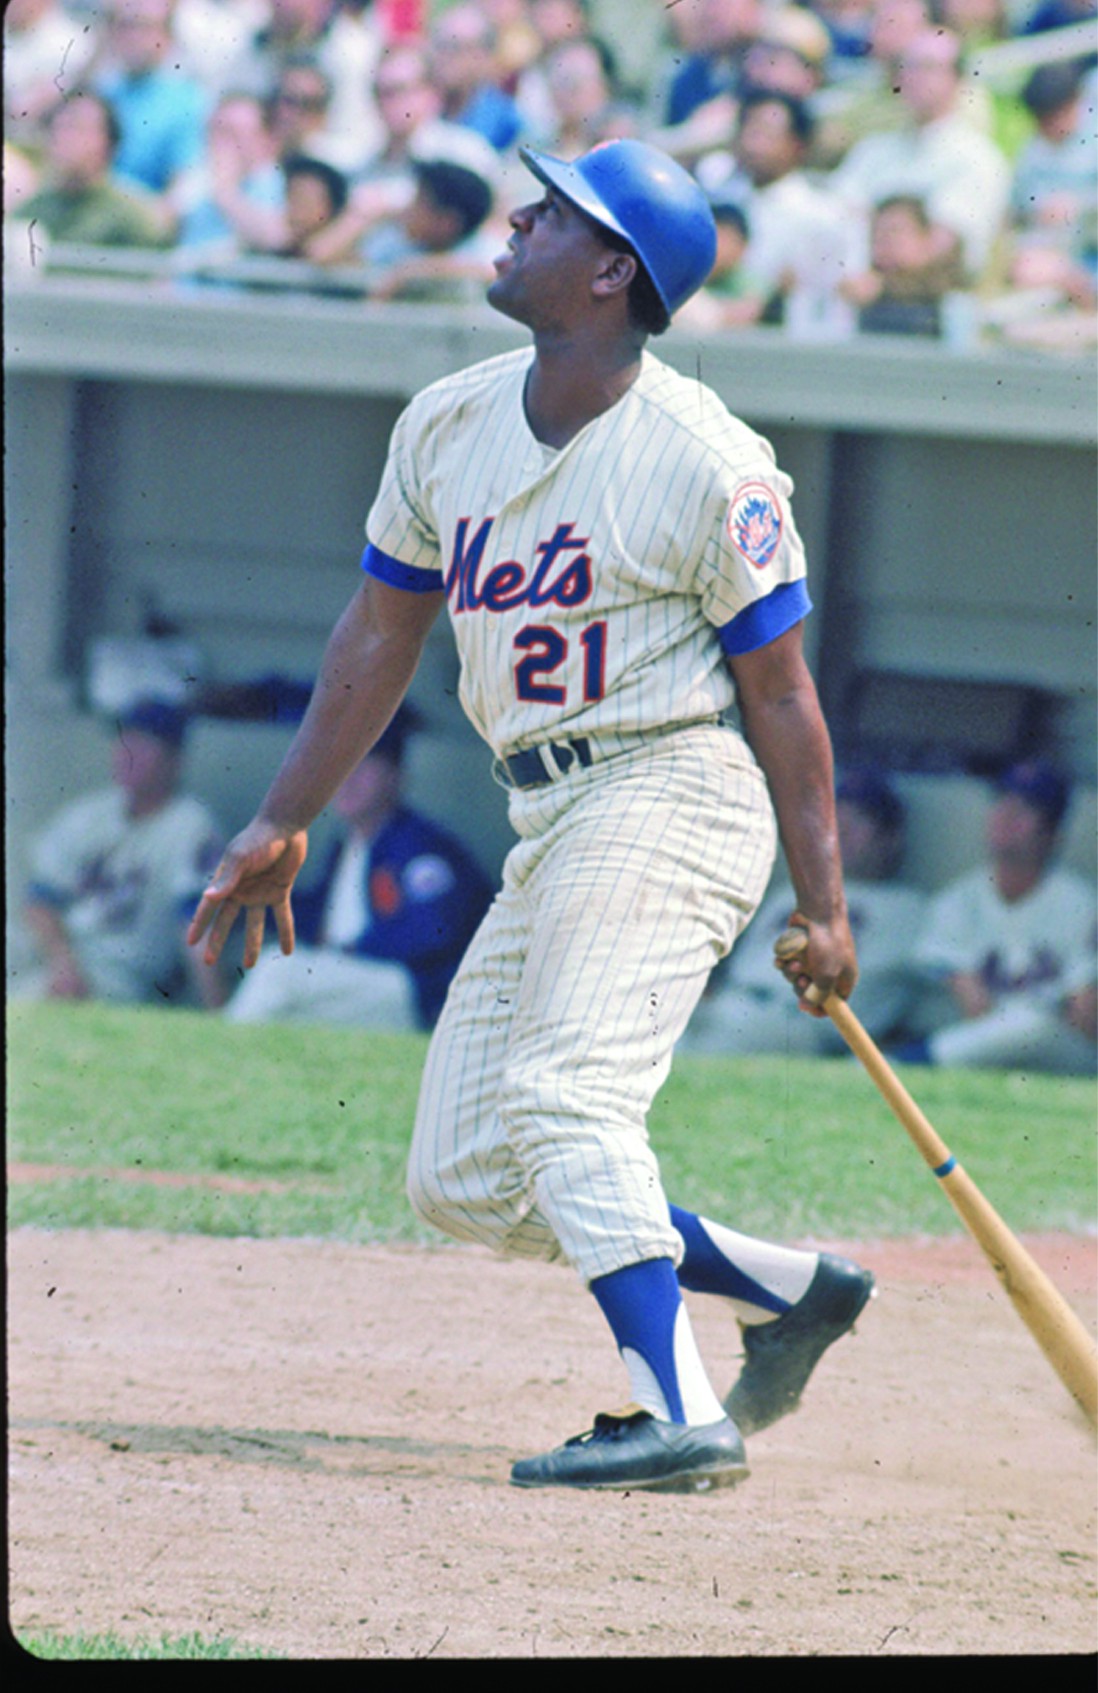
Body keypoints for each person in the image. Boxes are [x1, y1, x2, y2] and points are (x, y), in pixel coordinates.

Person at [189, 136, 874, 1496]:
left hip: (671, 783)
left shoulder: (702, 454)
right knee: (464, 1175)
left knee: (568, 1098)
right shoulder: (447, 420)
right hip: (549, 817)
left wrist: (824, 902)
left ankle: (675, 1408)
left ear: (612, 271)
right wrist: (281, 816)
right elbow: (377, 637)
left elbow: (783, 696)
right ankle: (788, 1289)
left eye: (555, 211)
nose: (518, 217)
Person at [224, 706, 493, 1030]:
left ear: (396, 777)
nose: (348, 780)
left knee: (277, 970)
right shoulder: (349, 845)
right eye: (340, 768)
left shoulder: (418, 846)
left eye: (364, 766)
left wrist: (352, 947)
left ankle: (216, 1053)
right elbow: (319, 919)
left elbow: (433, 931)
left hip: (415, 993)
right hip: (362, 982)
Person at [682, 769, 926, 1056]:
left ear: (890, 838)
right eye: (835, 821)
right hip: (732, 1006)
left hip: (797, 1023)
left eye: (858, 821)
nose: (842, 832)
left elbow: (871, 995)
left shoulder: (906, 907)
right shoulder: (790, 892)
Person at [22, 698, 226, 1008]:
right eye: (123, 741)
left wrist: (219, 1014)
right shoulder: (89, 814)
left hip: (117, 971)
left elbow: (198, 928)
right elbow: (39, 901)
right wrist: (62, 960)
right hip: (54, 952)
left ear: (174, 760)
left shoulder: (191, 826)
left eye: (142, 746)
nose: (125, 754)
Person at [904, 760, 1097, 1075]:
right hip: (975, 1040)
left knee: (1031, 1024)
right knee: (1013, 1024)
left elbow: (1085, 1016)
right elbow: (973, 1006)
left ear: (1052, 833)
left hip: (1060, 1049)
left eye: (1023, 811)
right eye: (1001, 804)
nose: (1006, 817)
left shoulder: (1082, 903)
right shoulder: (959, 899)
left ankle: (904, 1063)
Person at [827, 24, 1011, 287]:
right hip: (854, 290)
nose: (914, 77)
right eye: (907, 67)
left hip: (932, 303)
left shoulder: (978, 159)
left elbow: (942, 247)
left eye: (928, 67)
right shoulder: (872, 151)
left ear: (957, 80)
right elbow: (836, 219)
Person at [13, 87, 171, 248]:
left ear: (109, 143)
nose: (66, 138)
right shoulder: (30, 212)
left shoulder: (135, 219)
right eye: (60, 127)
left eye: (78, 128)